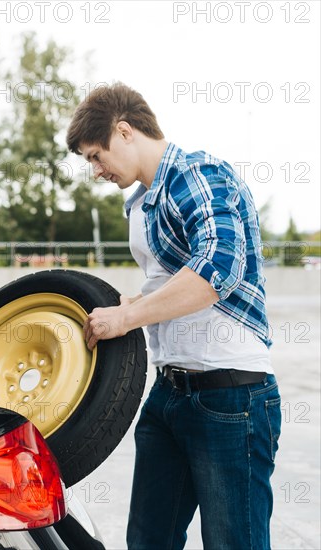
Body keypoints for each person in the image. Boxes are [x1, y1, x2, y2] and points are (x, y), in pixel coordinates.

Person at [66, 82, 281, 550]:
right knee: (148, 541)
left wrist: (129, 319)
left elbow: (217, 269)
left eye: (96, 155)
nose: (96, 170)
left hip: (231, 396)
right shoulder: (141, 203)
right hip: (169, 395)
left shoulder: (197, 172)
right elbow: (167, 288)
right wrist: (128, 308)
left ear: (124, 132)